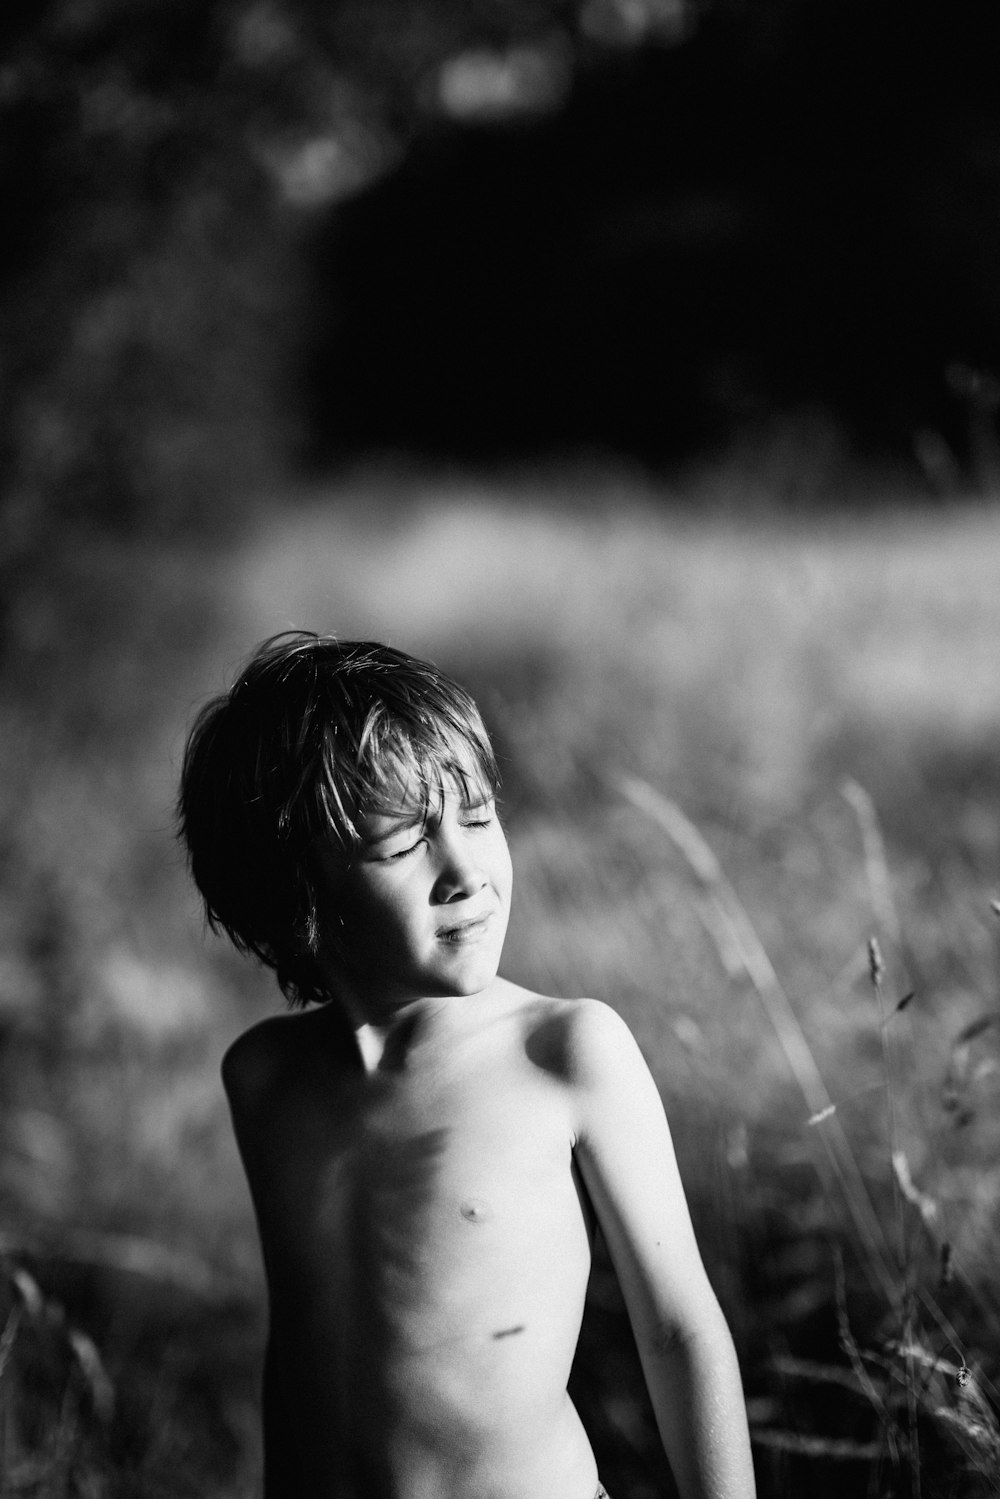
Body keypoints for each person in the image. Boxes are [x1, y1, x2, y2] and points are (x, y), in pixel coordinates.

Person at [177, 631, 757, 1499]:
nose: (466, 871)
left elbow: (677, 1328)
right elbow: (302, 1348)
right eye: (403, 843)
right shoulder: (263, 1079)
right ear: (298, 887)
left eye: (479, 816)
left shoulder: (563, 1051)